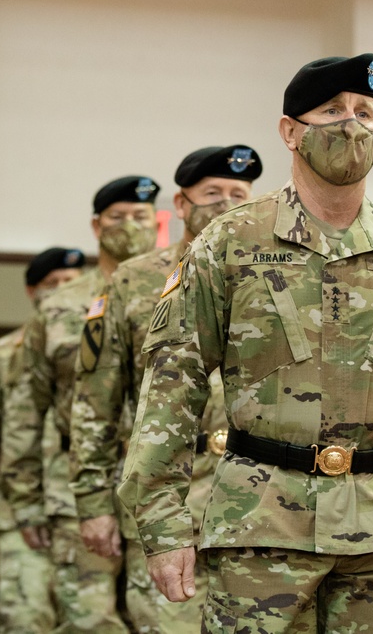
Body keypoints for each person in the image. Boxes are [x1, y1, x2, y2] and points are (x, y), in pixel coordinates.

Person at [118, 54, 373, 633]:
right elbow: (171, 386)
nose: (351, 125)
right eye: (331, 111)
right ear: (290, 131)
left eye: (365, 112)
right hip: (260, 524)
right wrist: (162, 526)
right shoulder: (230, 243)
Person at [72, 146, 262, 633]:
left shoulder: (273, 276)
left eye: (237, 193)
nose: (224, 203)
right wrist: (93, 504)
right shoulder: (136, 281)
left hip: (258, 503)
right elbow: (96, 402)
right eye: (211, 192)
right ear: (180, 204)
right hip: (169, 501)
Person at [0, 176, 161, 633]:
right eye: (118, 217)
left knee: (162, 619)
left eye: (140, 217)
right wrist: (25, 502)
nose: (129, 226)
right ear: (96, 225)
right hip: (75, 489)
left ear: (157, 223)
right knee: (88, 621)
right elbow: (25, 410)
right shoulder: (59, 307)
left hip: (163, 488)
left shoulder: (183, 292)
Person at [0, 246, 86, 634]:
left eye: (71, 282)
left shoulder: (104, 350)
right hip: (18, 515)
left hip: (87, 512)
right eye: (53, 284)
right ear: (32, 292)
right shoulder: (1, 357)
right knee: (26, 621)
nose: (63, 290)